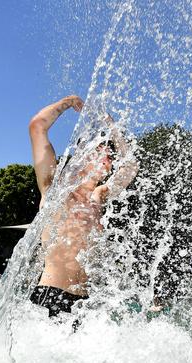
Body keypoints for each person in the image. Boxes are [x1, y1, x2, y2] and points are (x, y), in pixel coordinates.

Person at [28, 95, 138, 317]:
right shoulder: (54, 189)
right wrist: (68, 102)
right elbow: (37, 126)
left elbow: (131, 166)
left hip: (85, 306)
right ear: (82, 154)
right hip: (51, 296)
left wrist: (109, 122)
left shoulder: (99, 196)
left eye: (110, 157)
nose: (107, 160)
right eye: (100, 152)